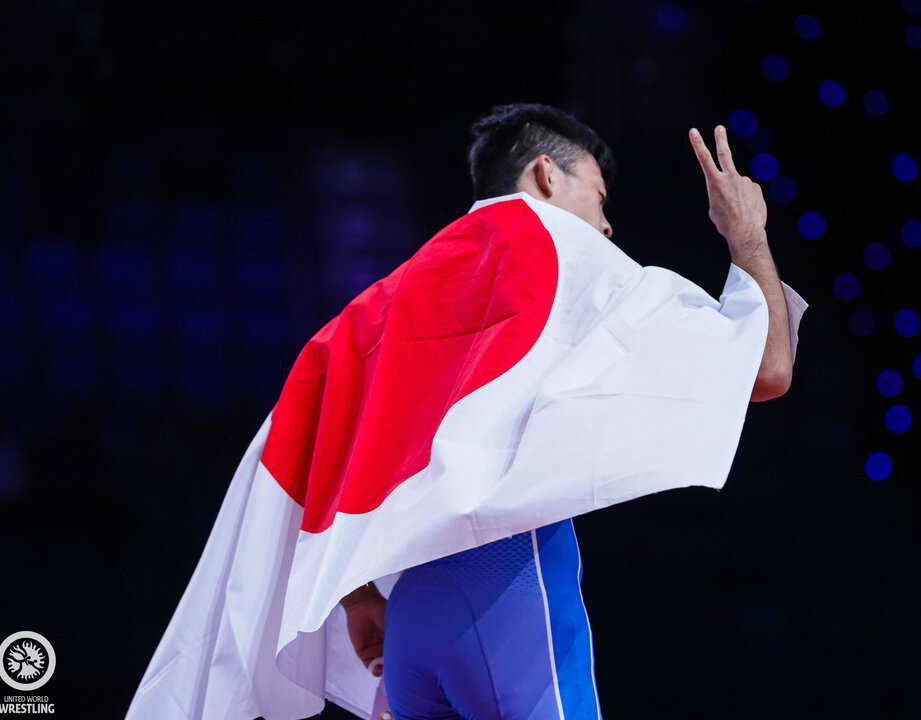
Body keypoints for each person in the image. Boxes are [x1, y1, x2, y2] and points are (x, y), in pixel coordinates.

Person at [336, 103, 801, 720]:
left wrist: (355, 593)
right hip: (505, 584)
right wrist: (746, 232)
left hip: (409, 606)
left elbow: (321, 437)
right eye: (600, 199)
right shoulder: (566, 256)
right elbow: (768, 369)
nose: (607, 227)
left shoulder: (402, 287)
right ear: (547, 176)